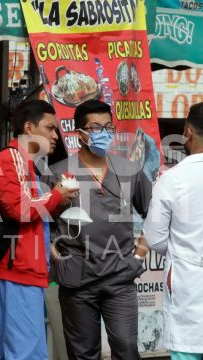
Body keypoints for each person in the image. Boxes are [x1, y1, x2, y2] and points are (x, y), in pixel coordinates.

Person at [43, 99, 152, 360]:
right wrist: (55, 255)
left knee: (126, 349)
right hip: (77, 280)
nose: (103, 133)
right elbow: (40, 220)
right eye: (94, 128)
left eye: (107, 127)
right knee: (83, 354)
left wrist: (139, 254)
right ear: (79, 134)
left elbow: (155, 213)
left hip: (120, 277)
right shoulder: (58, 173)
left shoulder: (128, 170)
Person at [0, 100, 78, 360]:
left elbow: (27, 213)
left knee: (8, 353)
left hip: (20, 270)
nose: (55, 136)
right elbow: (19, 208)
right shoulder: (11, 158)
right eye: (49, 128)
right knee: (27, 354)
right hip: (18, 272)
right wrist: (57, 195)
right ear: (28, 127)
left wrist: (57, 201)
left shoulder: (26, 164)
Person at [143, 102, 203, 360]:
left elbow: (155, 239)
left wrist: (186, 252)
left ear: (187, 131)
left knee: (186, 351)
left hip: (188, 281)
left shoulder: (172, 179)